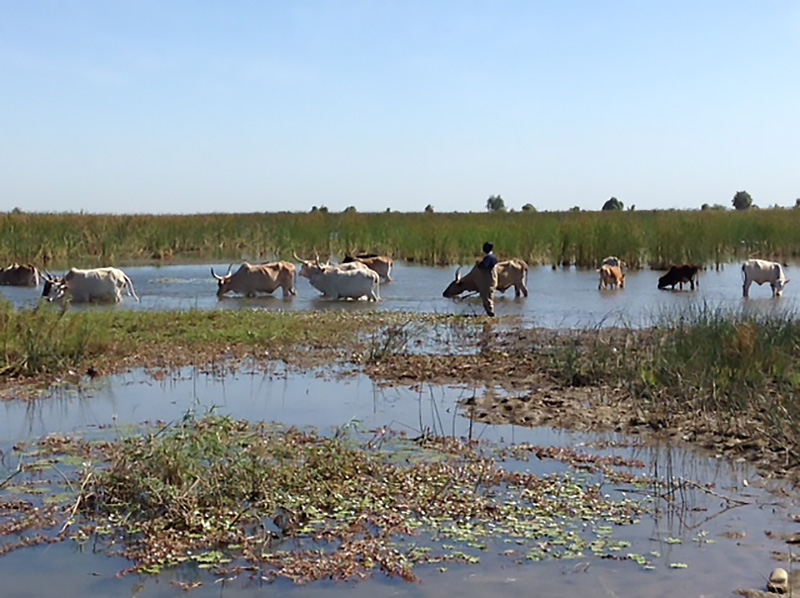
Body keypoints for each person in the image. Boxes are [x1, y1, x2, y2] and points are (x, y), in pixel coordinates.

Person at [476, 241, 498, 316]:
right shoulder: (493, 257)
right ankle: (489, 312)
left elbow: (484, 266)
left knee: (487, 296)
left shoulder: (488, 258)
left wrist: (478, 264)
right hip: (492, 279)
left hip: (488, 280)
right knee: (488, 295)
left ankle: (490, 313)